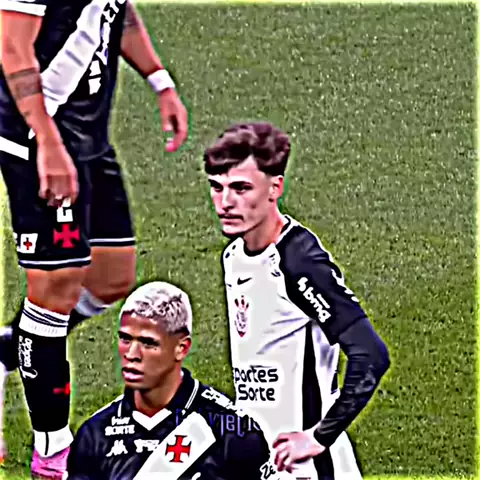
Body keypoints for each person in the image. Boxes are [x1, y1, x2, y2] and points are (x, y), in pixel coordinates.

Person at [0, 0, 188, 477]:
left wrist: (159, 80)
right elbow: (12, 46)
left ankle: (4, 352)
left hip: (88, 137)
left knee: (111, 276)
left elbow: (115, 11)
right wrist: (46, 142)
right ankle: (52, 452)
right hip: (36, 134)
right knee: (56, 284)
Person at [202, 122, 391, 480]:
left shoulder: (298, 262)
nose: (225, 203)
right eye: (217, 187)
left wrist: (318, 437)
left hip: (310, 468)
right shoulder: (234, 256)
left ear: (275, 187)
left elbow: (371, 354)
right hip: (263, 461)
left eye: (241, 188)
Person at [67, 281, 277, 480]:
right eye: (125, 339)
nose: (132, 354)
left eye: (148, 343)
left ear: (181, 348)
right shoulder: (95, 434)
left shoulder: (233, 431)